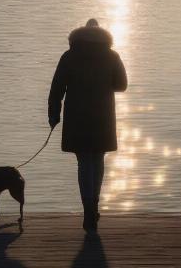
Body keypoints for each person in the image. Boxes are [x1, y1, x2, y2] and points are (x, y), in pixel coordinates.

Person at [48, 19, 128, 232]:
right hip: (102, 117)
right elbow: (122, 85)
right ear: (103, 36)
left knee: (83, 161)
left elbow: (56, 89)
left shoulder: (69, 56)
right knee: (98, 160)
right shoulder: (112, 56)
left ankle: (88, 210)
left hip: (77, 117)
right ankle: (94, 207)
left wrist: (53, 116)